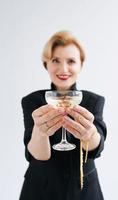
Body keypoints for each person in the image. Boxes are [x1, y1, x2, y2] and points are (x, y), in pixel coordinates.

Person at [19, 30, 107, 200]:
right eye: (55, 61)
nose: (63, 69)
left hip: (83, 189)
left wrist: (91, 134)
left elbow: (97, 148)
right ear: (46, 64)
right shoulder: (33, 101)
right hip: (40, 189)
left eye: (71, 61)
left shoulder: (93, 101)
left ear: (81, 64)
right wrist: (40, 132)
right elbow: (37, 155)